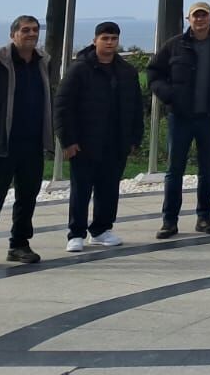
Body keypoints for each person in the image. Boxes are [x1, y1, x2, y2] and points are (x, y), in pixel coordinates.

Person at [146, 1, 210, 238]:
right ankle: (169, 221)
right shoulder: (174, 45)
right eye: (195, 16)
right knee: (174, 170)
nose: (200, 20)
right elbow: (153, 73)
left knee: (208, 170)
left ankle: (205, 217)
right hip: (180, 118)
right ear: (188, 19)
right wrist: (168, 95)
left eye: (204, 15)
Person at [0, 15, 52, 269]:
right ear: (13, 34)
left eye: (35, 30)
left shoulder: (42, 63)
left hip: (32, 144)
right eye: (25, 30)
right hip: (1, 144)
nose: (31, 34)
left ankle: (19, 244)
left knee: (27, 197)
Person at [55, 21, 144, 253]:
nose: (110, 43)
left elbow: (136, 106)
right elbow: (63, 106)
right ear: (95, 40)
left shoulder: (126, 71)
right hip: (84, 142)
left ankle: (101, 229)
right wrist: (68, 140)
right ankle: (76, 233)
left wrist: (135, 137)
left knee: (109, 188)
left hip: (116, 142)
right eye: (105, 38)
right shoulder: (80, 69)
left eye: (114, 38)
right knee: (81, 189)